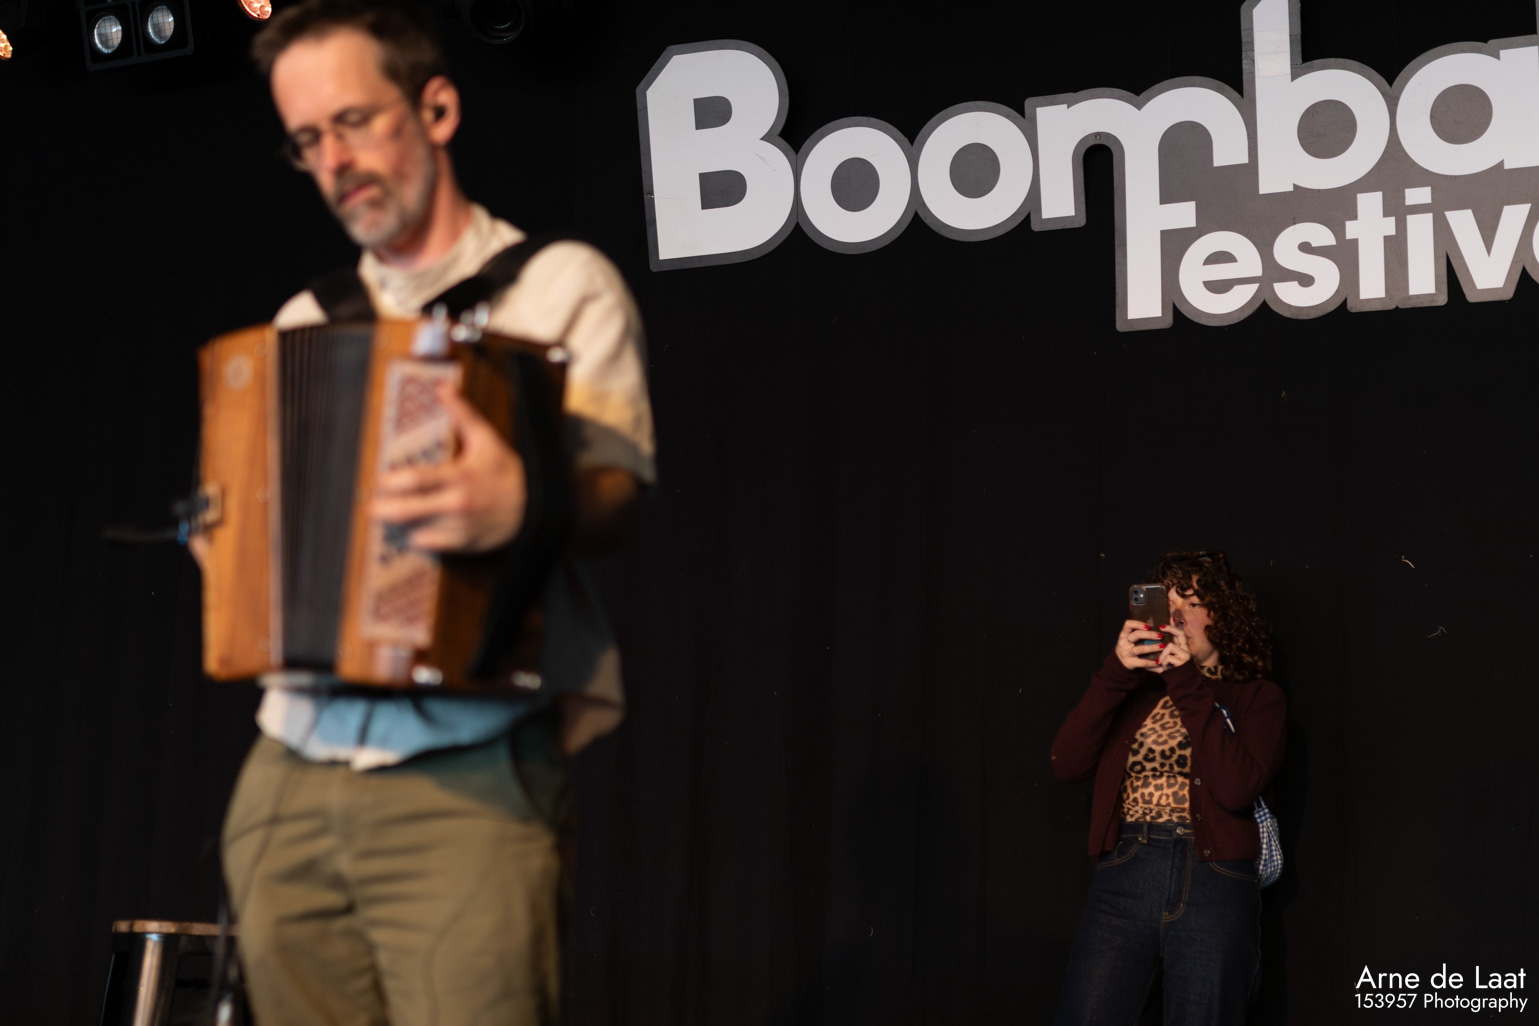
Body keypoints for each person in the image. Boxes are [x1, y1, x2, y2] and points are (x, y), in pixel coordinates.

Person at [213, 3, 656, 1023]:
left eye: (354, 121)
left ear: (438, 108)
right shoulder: (307, 321)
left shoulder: (557, 287)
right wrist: (234, 552)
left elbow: (619, 492)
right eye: (308, 140)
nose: (336, 161)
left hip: (470, 761)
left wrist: (527, 499)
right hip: (289, 762)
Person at [1049, 552, 1285, 1025]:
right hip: (1128, 872)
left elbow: (1236, 788)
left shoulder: (1256, 697)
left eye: (1191, 603)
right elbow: (1067, 764)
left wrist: (1184, 679)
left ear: (1222, 615)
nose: (1175, 618)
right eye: (1166, 605)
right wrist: (1117, 671)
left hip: (1214, 878)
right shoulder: (1134, 695)